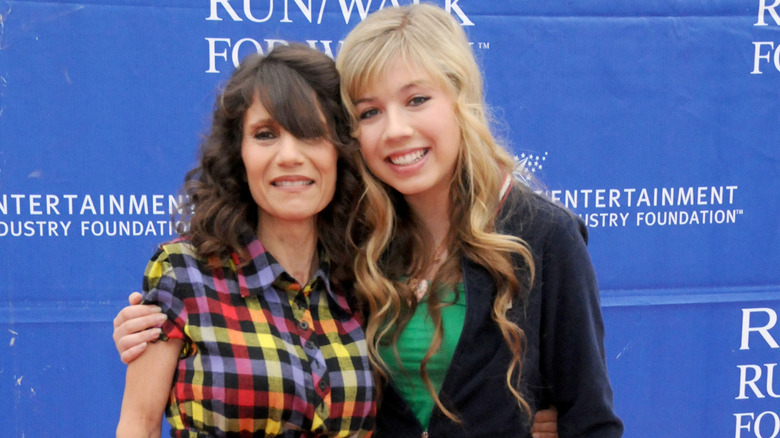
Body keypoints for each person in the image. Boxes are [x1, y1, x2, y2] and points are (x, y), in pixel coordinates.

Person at [333, 4, 623, 437]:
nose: (394, 129)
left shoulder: (544, 235)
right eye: (369, 112)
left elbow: (590, 421)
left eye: (416, 100)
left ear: (460, 98)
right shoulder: (357, 239)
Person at [115, 44, 375, 437]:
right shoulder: (183, 274)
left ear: (341, 151)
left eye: (311, 133)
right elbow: (140, 426)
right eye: (266, 134)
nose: (289, 155)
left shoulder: (367, 283)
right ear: (239, 153)